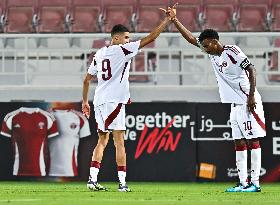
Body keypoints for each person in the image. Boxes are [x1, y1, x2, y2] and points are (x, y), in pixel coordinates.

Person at [163, 6, 265, 192]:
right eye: (203, 47)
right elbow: (192, 39)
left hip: (247, 100)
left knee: (253, 140)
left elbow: (251, 69)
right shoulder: (213, 56)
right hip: (234, 104)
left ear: (213, 41)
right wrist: (174, 21)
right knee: (239, 142)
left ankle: (255, 184)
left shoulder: (232, 51)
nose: (204, 49)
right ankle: (243, 183)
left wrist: (251, 96)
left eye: (206, 45)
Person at [82, 4, 176, 192]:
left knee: (102, 141)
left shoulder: (99, 53)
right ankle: (122, 183)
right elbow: (152, 37)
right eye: (126, 38)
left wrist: (85, 102)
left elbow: (86, 80)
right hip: (114, 100)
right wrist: (168, 19)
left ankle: (92, 180)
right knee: (119, 141)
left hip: (99, 100)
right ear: (115, 38)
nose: (128, 40)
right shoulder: (122, 50)